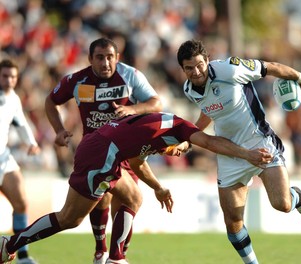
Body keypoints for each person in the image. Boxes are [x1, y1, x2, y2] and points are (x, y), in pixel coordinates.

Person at [0, 112, 272, 264]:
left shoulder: (157, 132)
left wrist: (159, 187)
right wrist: (247, 154)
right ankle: (10, 244)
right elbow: (210, 143)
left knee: (133, 196)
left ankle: (116, 258)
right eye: (178, 150)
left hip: (103, 148)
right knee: (70, 218)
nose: (175, 154)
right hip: (102, 154)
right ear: (183, 140)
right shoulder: (179, 129)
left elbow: (137, 162)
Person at [176, 39, 301, 264]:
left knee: (282, 205)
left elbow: (268, 67)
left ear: (207, 61)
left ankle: (297, 197)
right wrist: (191, 135)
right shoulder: (189, 90)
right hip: (229, 152)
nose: (196, 72)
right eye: (189, 68)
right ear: (182, 69)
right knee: (233, 222)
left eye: (200, 65)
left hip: (259, 142)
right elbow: (210, 111)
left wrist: (300, 77)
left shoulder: (229, 69)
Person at [44, 37, 162, 264]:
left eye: (110, 57)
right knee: (107, 199)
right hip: (96, 151)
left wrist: (132, 109)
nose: (106, 63)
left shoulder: (131, 75)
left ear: (117, 58)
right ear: (90, 60)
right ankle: (105, 253)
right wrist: (58, 129)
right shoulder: (78, 80)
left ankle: (115, 257)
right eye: (100, 58)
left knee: (126, 205)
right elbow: (51, 101)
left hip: (127, 151)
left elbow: (156, 103)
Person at [0, 59, 41, 264]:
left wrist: (31, 143)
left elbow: (21, 123)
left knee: (21, 203)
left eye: (13, 76)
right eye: (5, 76)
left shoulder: (14, 99)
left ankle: (22, 255)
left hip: (3, 159)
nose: (9, 80)